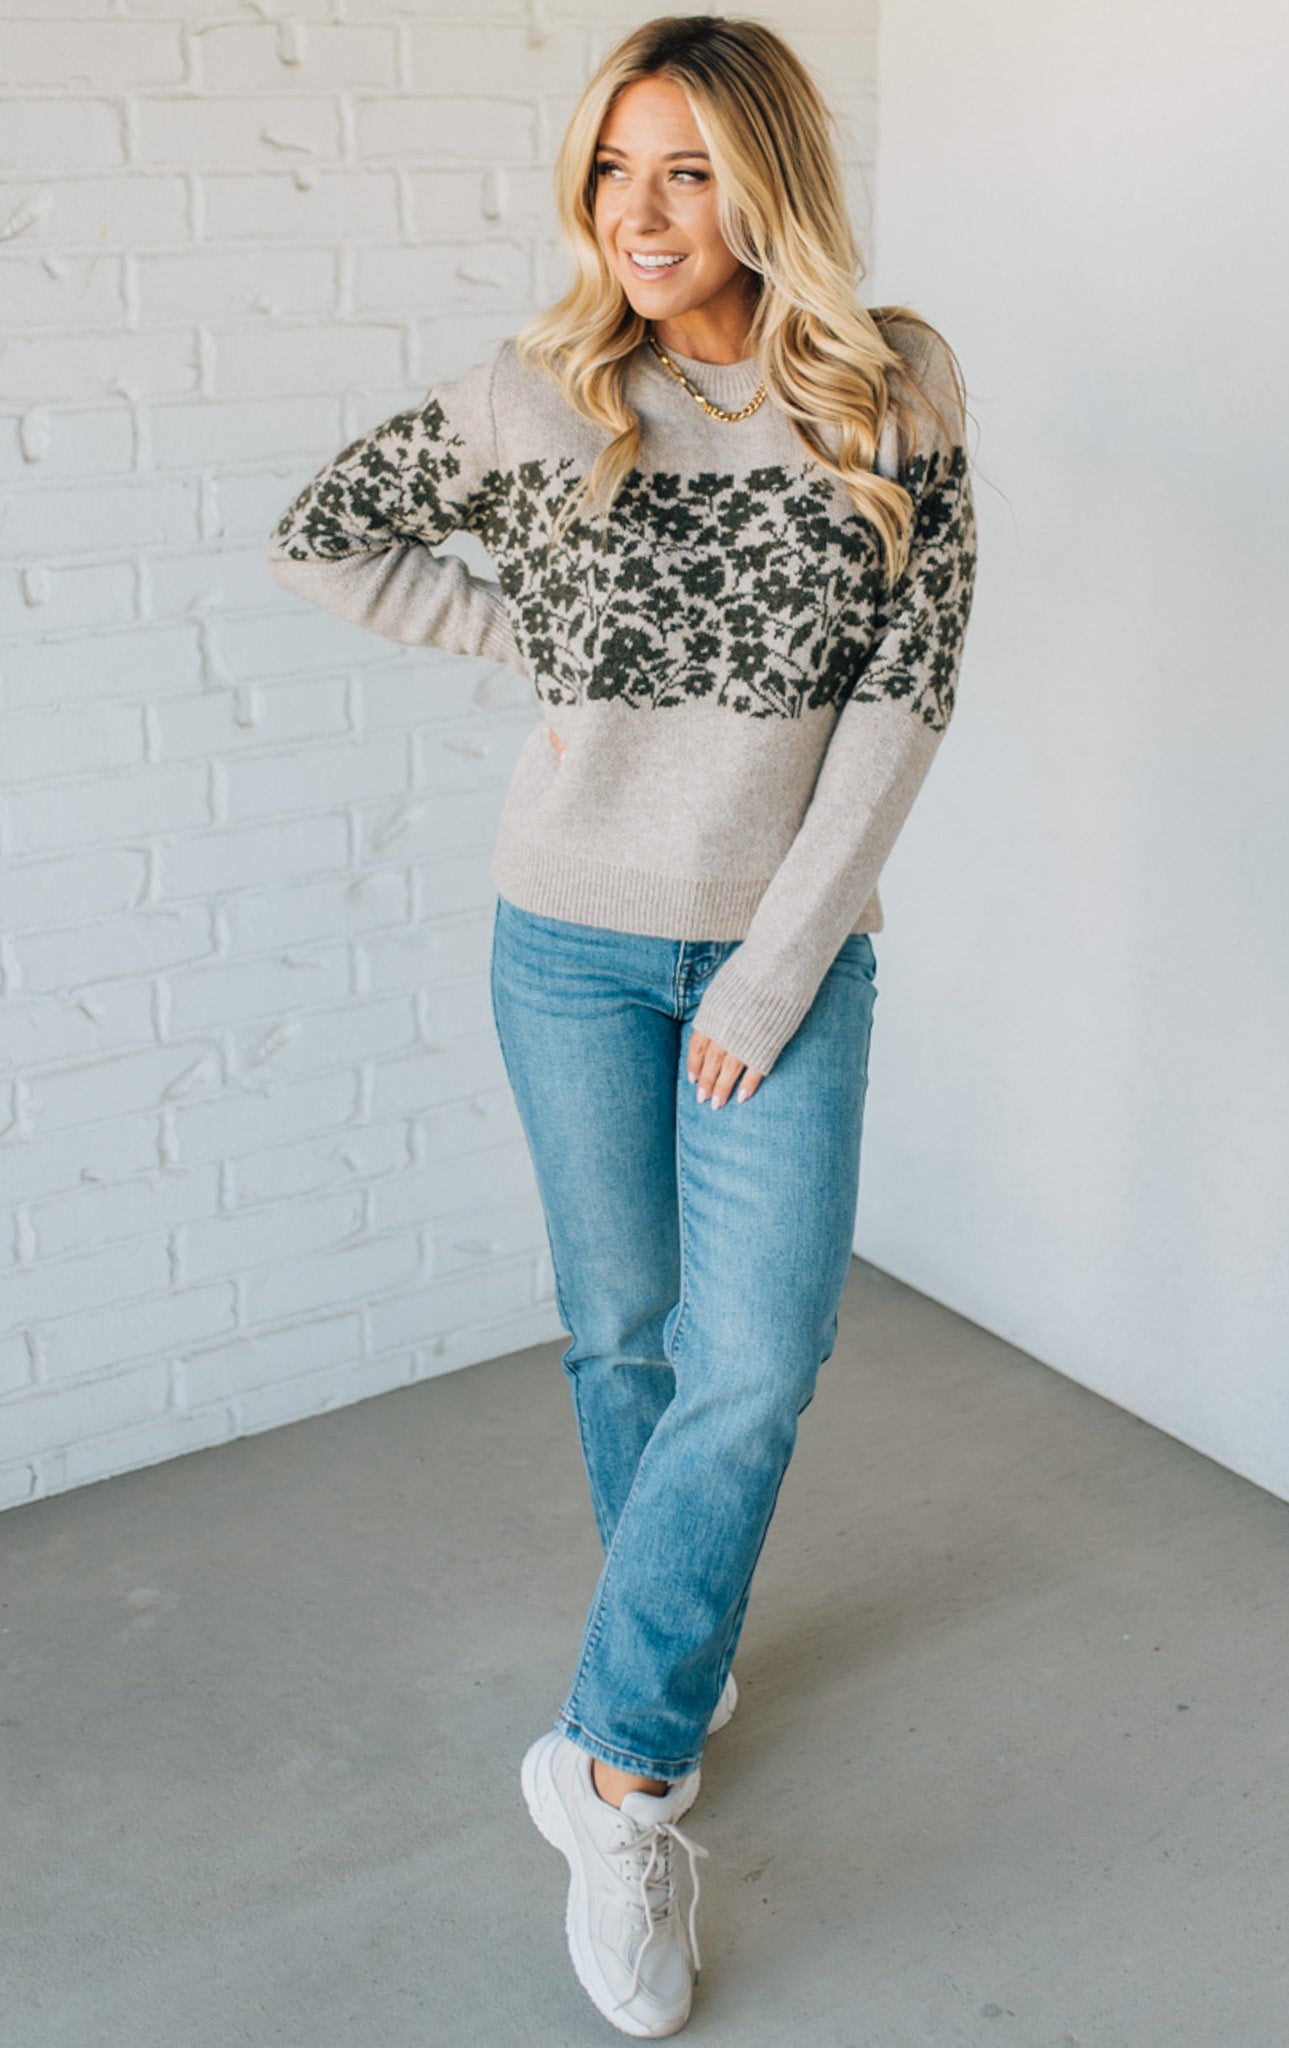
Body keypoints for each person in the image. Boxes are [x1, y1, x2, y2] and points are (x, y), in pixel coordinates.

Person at [266, 14, 978, 2035]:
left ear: (764, 179)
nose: (639, 213)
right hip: (562, 944)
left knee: (756, 1350)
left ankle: (611, 1773)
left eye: (683, 170)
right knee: (628, 1331)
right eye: (609, 170)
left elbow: (900, 700)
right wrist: (545, 640)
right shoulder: (539, 391)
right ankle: (667, 1664)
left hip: (780, 949)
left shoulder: (888, 387)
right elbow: (323, 536)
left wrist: (766, 974)